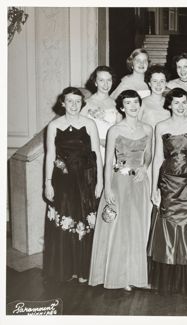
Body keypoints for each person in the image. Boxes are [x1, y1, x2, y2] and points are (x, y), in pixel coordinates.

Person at [147, 88, 187, 296]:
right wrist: (155, 187)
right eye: (176, 103)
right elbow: (158, 158)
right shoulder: (161, 126)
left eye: (184, 102)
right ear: (169, 105)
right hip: (168, 182)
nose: (180, 106)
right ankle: (171, 278)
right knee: (169, 225)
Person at [89, 90, 153, 291]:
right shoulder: (115, 130)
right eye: (128, 102)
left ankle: (133, 275)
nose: (133, 106)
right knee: (117, 228)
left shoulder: (148, 129)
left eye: (136, 102)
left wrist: (145, 167)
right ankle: (117, 275)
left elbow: (149, 154)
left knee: (137, 227)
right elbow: (108, 162)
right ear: (121, 107)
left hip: (140, 183)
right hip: (119, 181)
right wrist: (107, 188)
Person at [43, 87, 103, 283]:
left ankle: (84, 270)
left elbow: (97, 155)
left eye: (78, 101)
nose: (74, 105)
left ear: (82, 103)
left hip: (86, 179)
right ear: (63, 102)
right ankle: (67, 270)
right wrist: (48, 183)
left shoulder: (89, 124)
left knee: (85, 222)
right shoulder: (54, 125)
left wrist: (100, 181)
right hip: (63, 180)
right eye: (70, 101)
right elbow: (51, 156)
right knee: (65, 220)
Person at [81, 66, 120, 160]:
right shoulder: (86, 103)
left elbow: (119, 130)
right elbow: (81, 131)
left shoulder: (116, 104)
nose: (105, 84)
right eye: (101, 80)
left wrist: (112, 142)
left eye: (109, 80)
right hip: (92, 149)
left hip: (111, 150)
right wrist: (98, 141)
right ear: (95, 82)